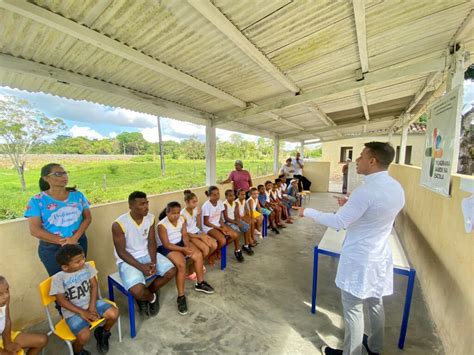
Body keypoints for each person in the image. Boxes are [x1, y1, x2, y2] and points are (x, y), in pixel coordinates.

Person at [298, 142, 405, 355]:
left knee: (354, 310)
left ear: (373, 161)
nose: (356, 160)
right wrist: (350, 204)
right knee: (376, 303)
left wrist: (308, 212)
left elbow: (339, 222)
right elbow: (376, 214)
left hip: (360, 258)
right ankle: (375, 348)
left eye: (361, 156)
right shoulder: (396, 187)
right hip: (379, 256)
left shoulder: (365, 192)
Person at [112, 191, 176, 317]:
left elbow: (151, 241)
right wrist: (141, 267)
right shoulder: (119, 224)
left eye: (147, 202)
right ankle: (151, 297)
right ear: (131, 206)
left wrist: (153, 262)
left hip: (147, 253)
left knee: (171, 271)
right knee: (136, 290)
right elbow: (121, 252)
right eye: (142, 204)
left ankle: (146, 294)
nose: (146, 206)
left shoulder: (150, 218)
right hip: (127, 259)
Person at [50, 245, 119, 355]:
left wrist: (91, 307)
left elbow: (94, 286)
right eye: (78, 261)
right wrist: (83, 312)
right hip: (72, 312)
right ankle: (77, 351)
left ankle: (103, 332)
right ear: (65, 267)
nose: (82, 262)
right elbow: (61, 301)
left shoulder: (87, 267)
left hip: (91, 303)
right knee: (84, 336)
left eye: (83, 258)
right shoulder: (58, 278)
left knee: (114, 313)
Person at [25, 163, 91, 276]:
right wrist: (64, 241)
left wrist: (74, 238)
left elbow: (87, 218)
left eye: (65, 173)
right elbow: (35, 230)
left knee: (80, 277)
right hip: (52, 248)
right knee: (60, 282)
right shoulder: (37, 201)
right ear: (46, 178)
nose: (64, 176)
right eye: (58, 174)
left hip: (78, 242)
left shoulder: (78, 196)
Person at [157, 202, 215, 316]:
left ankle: (200, 283)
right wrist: (183, 250)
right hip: (167, 247)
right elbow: (167, 244)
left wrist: (187, 246)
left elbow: (184, 235)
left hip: (179, 243)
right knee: (181, 264)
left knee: (197, 255)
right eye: (173, 213)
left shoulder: (181, 219)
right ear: (167, 213)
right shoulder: (161, 225)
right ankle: (181, 297)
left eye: (178, 213)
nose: (176, 215)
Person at [0, 276, 48, 355]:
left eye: (7, 290)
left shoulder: (4, 300)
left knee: (42, 340)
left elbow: (7, 319)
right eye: (0, 294)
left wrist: (7, 343)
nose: (6, 296)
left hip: (4, 336)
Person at [201, 186, 244, 262]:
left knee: (234, 235)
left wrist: (224, 227)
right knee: (223, 240)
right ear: (209, 196)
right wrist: (219, 228)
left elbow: (220, 218)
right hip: (209, 227)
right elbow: (206, 222)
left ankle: (233, 250)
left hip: (218, 224)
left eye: (218, 194)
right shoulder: (206, 206)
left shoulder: (220, 202)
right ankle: (214, 253)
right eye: (214, 195)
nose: (217, 196)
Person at [181, 190, 218, 270]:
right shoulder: (182, 214)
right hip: (189, 235)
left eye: (196, 202)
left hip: (197, 231)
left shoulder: (195, 209)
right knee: (205, 249)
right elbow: (184, 233)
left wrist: (198, 215)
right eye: (193, 202)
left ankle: (201, 261)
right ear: (187, 202)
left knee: (214, 245)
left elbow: (197, 224)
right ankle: (192, 267)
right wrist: (200, 237)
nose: (196, 204)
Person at [223, 190, 253, 256]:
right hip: (227, 222)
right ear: (226, 197)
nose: (232, 197)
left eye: (233, 195)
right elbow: (226, 218)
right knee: (236, 233)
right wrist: (236, 222)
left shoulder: (235, 203)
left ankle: (246, 245)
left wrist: (238, 222)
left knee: (247, 227)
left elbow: (236, 214)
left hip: (235, 220)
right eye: (230, 195)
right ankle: (237, 250)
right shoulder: (225, 204)